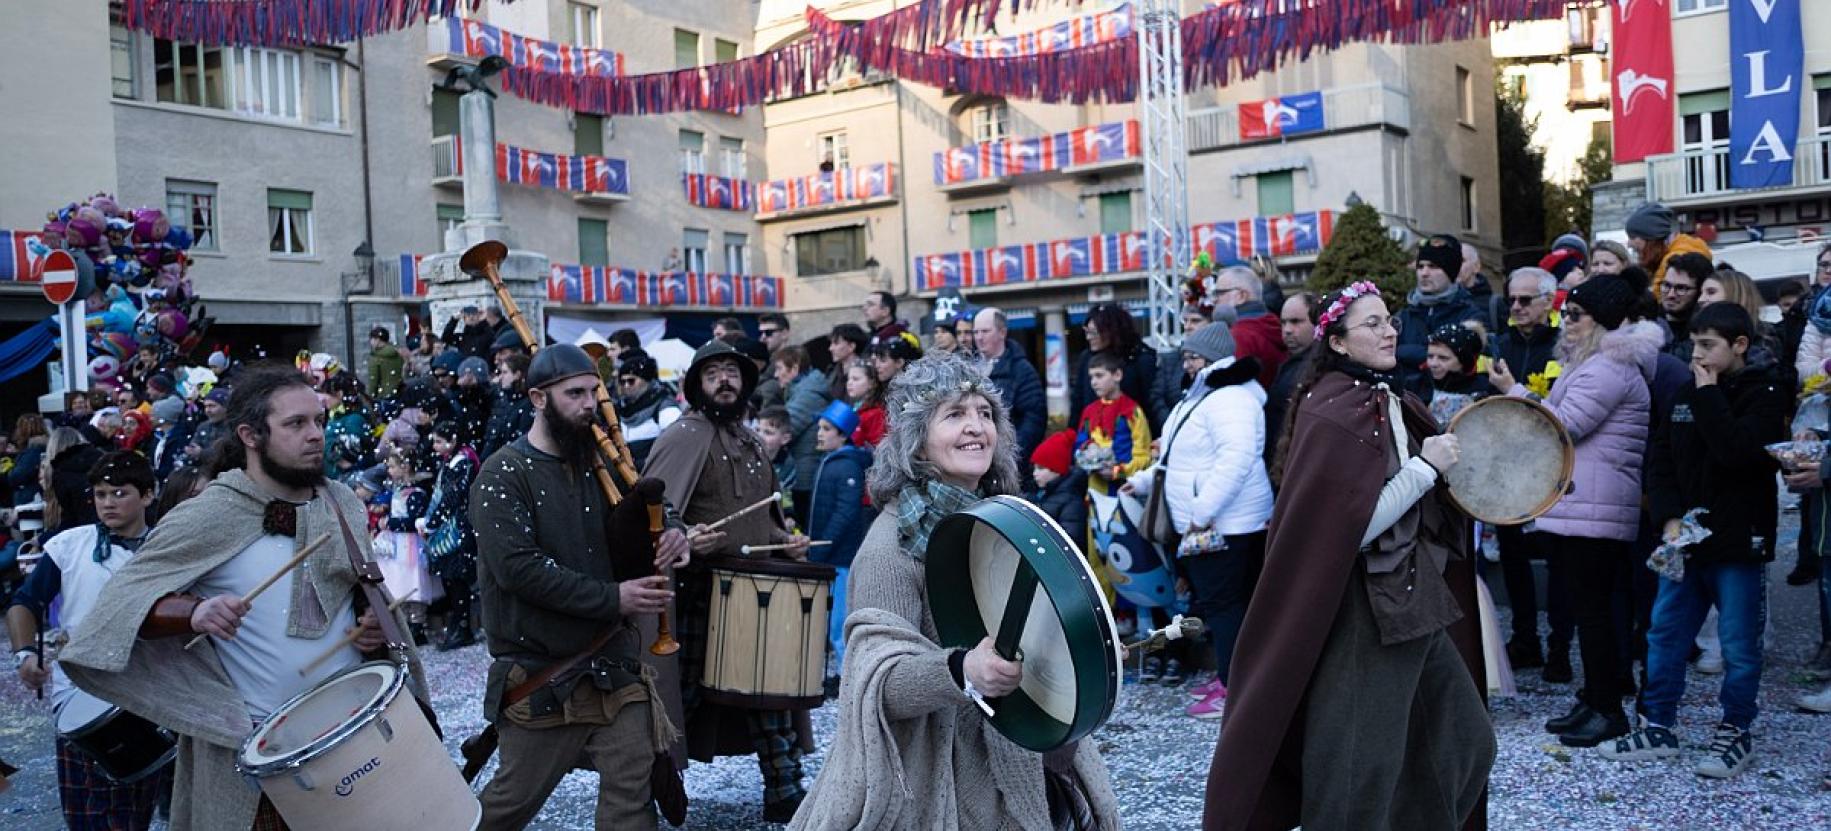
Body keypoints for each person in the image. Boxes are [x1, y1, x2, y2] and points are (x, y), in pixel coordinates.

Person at [59, 363, 419, 831]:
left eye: (318, 421)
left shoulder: (341, 502)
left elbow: (355, 594)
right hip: (261, 759)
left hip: (355, 739)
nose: (315, 435)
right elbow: (123, 605)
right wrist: (193, 612)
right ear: (251, 435)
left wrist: (371, 626)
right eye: (295, 424)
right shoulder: (208, 514)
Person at [790, 352, 1121, 830]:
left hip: (1028, 753)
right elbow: (877, 682)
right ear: (916, 442)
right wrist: (962, 669)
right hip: (938, 785)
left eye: (985, 414)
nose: (976, 427)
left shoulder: (1004, 519)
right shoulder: (891, 545)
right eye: (955, 414)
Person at [1204, 281, 1491, 831]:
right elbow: (1347, 532)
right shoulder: (1334, 409)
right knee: (1358, 775)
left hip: (1412, 598)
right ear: (1336, 342)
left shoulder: (1385, 397)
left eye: (1390, 321)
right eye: (1373, 324)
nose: (1389, 332)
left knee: (1464, 741)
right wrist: (1424, 469)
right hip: (1366, 609)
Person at [468, 342, 691, 829]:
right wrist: (615, 597)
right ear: (537, 398)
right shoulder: (503, 474)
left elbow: (649, 500)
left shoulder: (603, 461)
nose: (590, 403)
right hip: (542, 674)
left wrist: (673, 530)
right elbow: (519, 569)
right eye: (574, 393)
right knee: (508, 805)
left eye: (594, 391)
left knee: (632, 799)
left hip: (615, 668)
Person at [1602, 302, 1786, 779]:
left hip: (1738, 541)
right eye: (1695, 344)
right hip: (1684, 542)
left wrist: (1708, 396)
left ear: (1739, 345)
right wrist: (1667, 519)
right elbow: (1660, 460)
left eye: (1709, 346)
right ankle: (1657, 723)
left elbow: (1737, 452)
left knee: (1738, 643)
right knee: (1664, 633)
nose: (1697, 354)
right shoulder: (1685, 393)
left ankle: (1735, 731)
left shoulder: (1765, 392)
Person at [643, 340, 813, 822]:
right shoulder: (683, 436)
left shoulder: (751, 439)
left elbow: (767, 516)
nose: (724, 380)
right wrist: (682, 534)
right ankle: (647, 782)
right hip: (702, 590)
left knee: (771, 692)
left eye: (732, 372)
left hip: (760, 585)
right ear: (696, 384)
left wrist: (786, 540)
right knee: (685, 700)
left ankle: (784, 789)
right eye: (713, 372)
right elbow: (655, 507)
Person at [1491, 273, 1660, 747]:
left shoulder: (1607, 368)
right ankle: (1594, 699)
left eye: (1575, 315)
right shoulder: (1593, 363)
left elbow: (1563, 426)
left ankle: (1607, 709)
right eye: (1564, 313)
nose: (1564, 322)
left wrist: (1515, 392)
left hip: (1595, 506)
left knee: (1596, 613)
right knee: (1589, 609)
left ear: (1601, 321)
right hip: (1582, 503)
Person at [8, 451, 174, 830]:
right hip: (81, 703)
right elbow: (25, 603)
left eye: (119, 493)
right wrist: (24, 656)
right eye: (100, 494)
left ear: (147, 496)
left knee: (135, 819)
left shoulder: (168, 549)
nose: (107, 503)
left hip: (152, 701)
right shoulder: (70, 545)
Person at [1126, 321, 1273, 720]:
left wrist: (1200, 513)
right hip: (1211, 521)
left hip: (1226, 524)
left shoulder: (1229, 399)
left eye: (1191, 356)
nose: (1185, 364)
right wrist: (1144, 481)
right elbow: (1178, 455)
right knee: (1221, 605)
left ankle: (1234, 688)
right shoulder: (1207, 394)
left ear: (1209, 359)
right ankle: (1233, 677)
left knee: (1224, 606)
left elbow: (1236, 460)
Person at [1487, 267, 1572, 673]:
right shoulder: (1498, 345)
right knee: (1514, 559)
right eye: (1512, 300)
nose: (1517, 308)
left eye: (1525, 300)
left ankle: (1559, 647)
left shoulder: (1564, 344)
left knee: (1559, 561)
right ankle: (1525, 640)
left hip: (1549, 463)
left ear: (1548, 301)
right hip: (1507, 465)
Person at [806, 400, 875, 686]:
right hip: (830, 553)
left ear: (843, 434)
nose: (819, 434)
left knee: (839, 622)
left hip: (840, 555)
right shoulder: (833, 461)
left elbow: (845, 512)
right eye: (819, 428)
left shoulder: (846, 465)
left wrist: (820, 545)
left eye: (826, 429)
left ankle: (850, 678)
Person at [420, 420, 481, 649]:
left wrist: (432, 523)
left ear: (453, 440)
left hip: (460, 526)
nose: (435, 446)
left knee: (458, 580)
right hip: (452, 526)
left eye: (439, 441)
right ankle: (458, 626)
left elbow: (452, 498)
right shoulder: (452, 461)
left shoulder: (463, 462)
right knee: (451, 579)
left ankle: (462, 628)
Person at [1395, 234, 1485, 384]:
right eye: (1420, 266)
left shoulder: (1470, 315)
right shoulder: (1404, 315)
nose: (1424, 273)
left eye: (1433, 266)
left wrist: (1405, 352)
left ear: (1451, 272)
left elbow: (1466, 363)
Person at [973, 308, 1047, 468]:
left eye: (985, 331)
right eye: (976, 332)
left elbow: (1034, 419)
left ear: (1002, 333)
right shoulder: (970, 368)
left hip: (1008, 463)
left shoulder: (1022, 369)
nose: (979, 337)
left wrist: (1010, 456)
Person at [1071, 303, 1161, 427]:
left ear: (1111, 331)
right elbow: (1077, 402)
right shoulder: (1086, 358)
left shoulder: (1140, 359)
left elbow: (1152, 405)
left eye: (1093, 333)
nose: (1088, 337)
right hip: (1092, 435)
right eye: (1086, 331)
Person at [774, 345, 833, 532]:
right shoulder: (803, 389)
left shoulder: (808, 394)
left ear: (795, 368)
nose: (776, 375)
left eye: (779, 369)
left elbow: (786, 426)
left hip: (806, 471)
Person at [1264, 294, 1318, 467]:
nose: (1287, 329)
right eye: (1283, 322)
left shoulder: (1319, 368)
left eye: (1296, 322)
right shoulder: (1290, 362)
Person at [1624, 201, 1712, 292]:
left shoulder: (1673, 261)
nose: (1629, 244)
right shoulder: (1683, 248)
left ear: (1651, 238)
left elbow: (1658, 302)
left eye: (1633, 237)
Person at [615, 353, 683, 472]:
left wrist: (644, 464)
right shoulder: (620, 409)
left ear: (646, 380)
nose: (626, 386)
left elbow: (679, 444)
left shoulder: (664, 407)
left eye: (631, 381)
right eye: (622, 382)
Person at [1419, 323, 1493, 426]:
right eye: (1430, 356)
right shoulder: (1419, 385)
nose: (1433, 364)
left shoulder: (1485, 389)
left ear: (1463, 362)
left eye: (1443, 358)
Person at [1152, 306, 1214, 425]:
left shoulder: (1221, 359)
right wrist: (1172, 424)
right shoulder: (1171, 359)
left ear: (1211, 324)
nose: (1187, 326)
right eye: (1185, 321)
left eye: (1195, 321)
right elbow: (1156, 398)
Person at [1029, 429, 1088, 547]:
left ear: (1057, 470)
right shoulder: (1039, 493)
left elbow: (1071, 541)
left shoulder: (1071, 502)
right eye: (1034, 468)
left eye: (1040, 468)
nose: (1035, 473)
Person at [1659, 252, 1712, 362]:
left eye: (1681, 288)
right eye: (1666, 285)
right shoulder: (1645, 319)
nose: (1671, 294)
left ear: (1700, 291)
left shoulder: (1709, 330)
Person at [481, 352, 534, 461]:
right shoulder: (504, 399)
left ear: (517, 375)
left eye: (505, 372)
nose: (500, 377)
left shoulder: (527, 404)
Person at [845, 360, 887, 448]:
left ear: (872, 383)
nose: (849, 383)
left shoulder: (876, 413)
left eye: (855, 379)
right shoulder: (855, 408)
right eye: (848, 379)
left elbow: (878, 448)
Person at [753, 313, 793, 409]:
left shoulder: (790, 360)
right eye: (760, 333)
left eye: (768, 333)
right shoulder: (770, 360)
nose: (763, 337)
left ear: (784, 334)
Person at [827, 323, 870, 402]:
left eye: (836, 343)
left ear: (851, 346)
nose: (831, 348)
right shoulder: (833, 373)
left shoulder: (868, 371)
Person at [368, 326, 405, 400]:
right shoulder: (398, 355)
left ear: (378, 340)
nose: (370, 342)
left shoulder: (376, 358)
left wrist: (370, 398)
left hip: (384, 397)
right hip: (400, 393)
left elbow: (373, 382)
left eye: (372, 339)